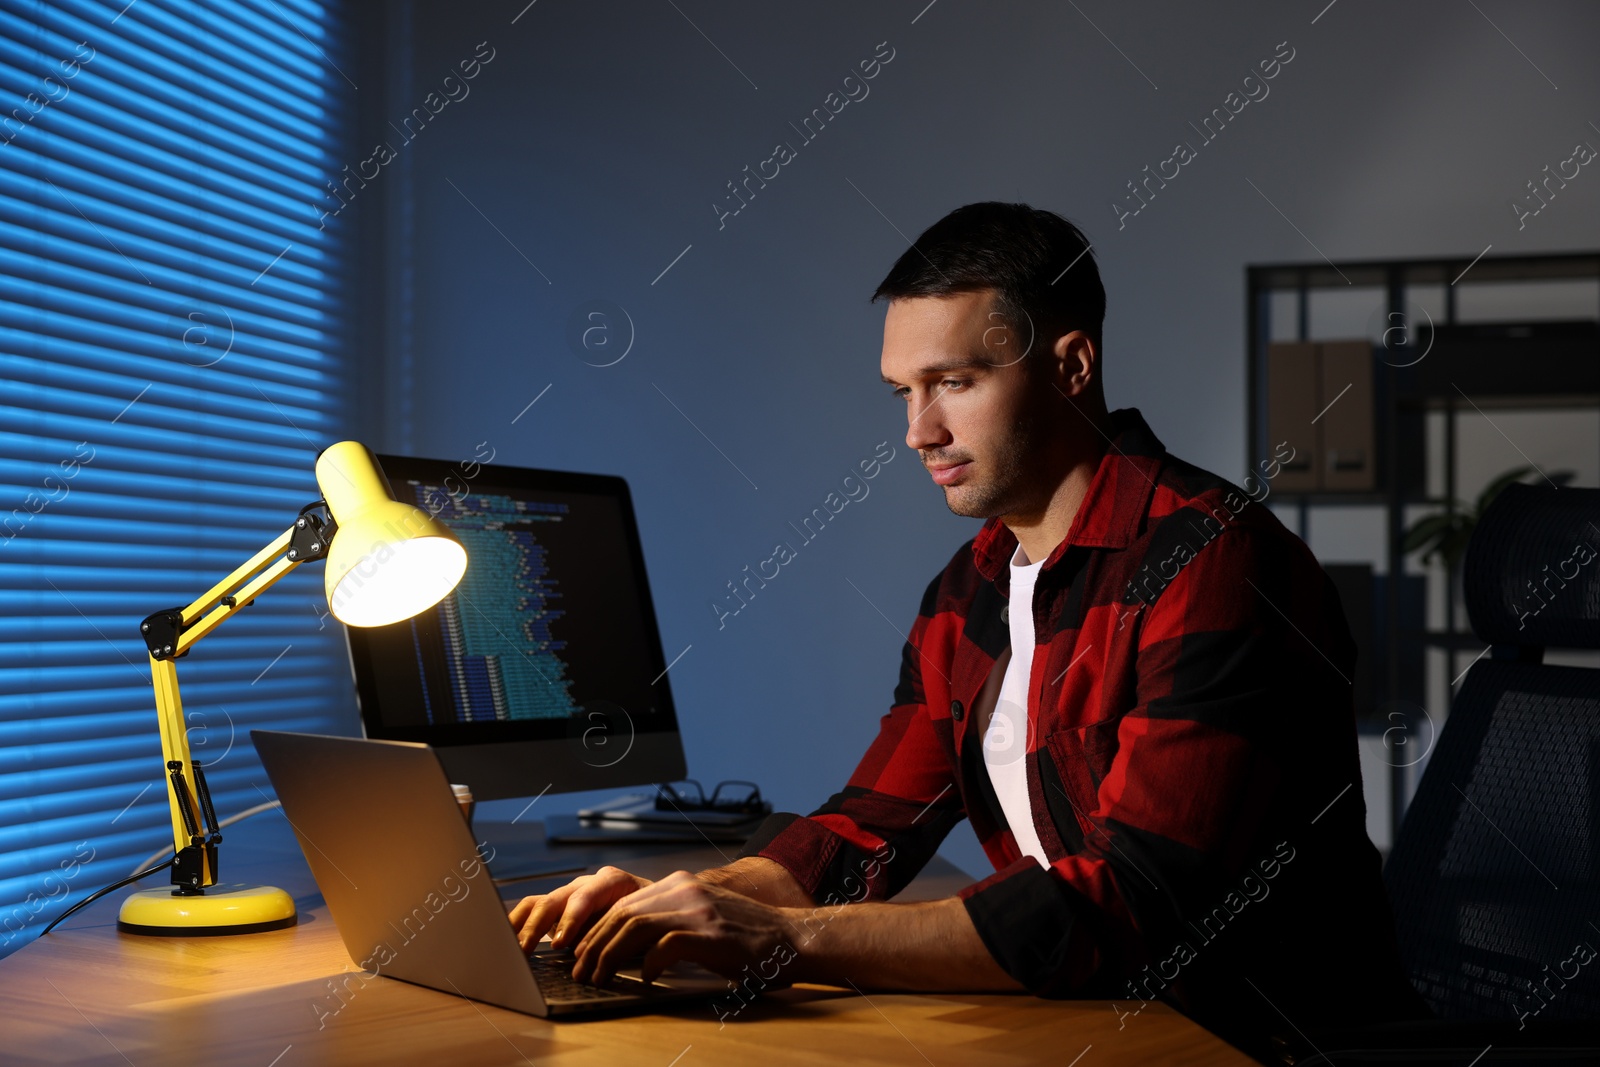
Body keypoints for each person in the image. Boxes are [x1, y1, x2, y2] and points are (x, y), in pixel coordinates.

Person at [509, 202, 1430, 1062]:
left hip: (1246, 1039)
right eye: (902, 391)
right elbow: (869, 826)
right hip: (1094, 1019)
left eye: (955, 381)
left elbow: (1138, 902)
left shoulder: (1214, 561)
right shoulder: (968, 588)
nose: (919, 431)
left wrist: (786, 939)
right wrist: (689, 901)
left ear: (1071, 366)